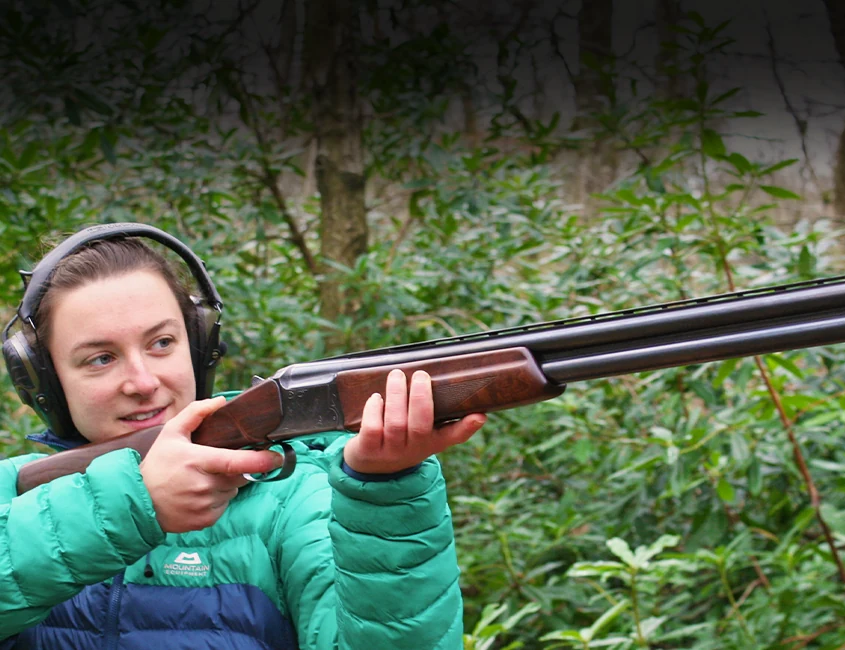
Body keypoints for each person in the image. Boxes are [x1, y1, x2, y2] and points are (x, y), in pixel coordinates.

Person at [0, 223, 486, 649]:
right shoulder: (15, 497)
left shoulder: (290, 499)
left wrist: (385, 492)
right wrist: (134, 503)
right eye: (100, 358)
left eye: (162, 343)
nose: (143, 381)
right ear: (47, 383)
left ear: (199, 347)